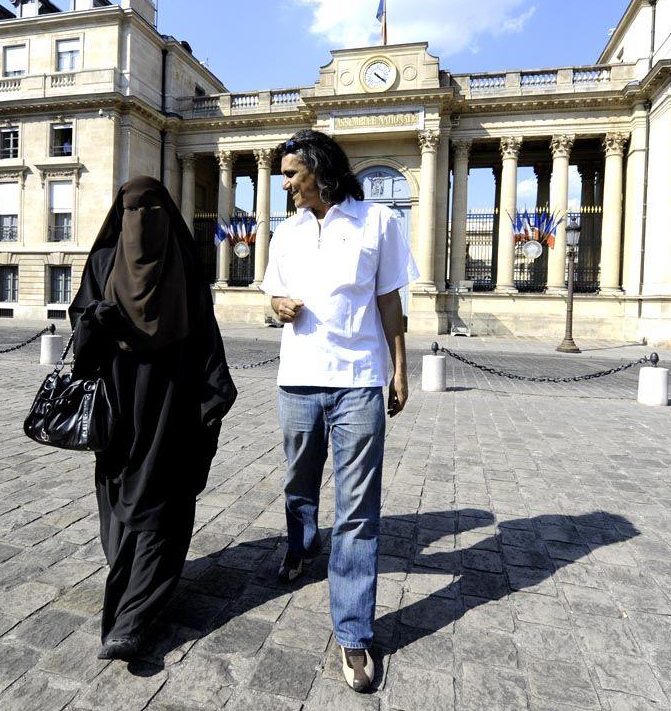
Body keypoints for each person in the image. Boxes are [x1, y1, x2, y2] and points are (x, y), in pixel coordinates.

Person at [261, 129, 418, 693]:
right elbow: (272, 293)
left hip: (358, 382)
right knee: (299, 483)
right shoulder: (287, 231)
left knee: (357, 509)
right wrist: (278, 305)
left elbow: (390, 302)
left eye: (293, 176)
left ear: (322, 171)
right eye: (284, 177)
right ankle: (301, 548)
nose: (287, 186)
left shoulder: (379, 223)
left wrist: (400, 371)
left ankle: (353, 633)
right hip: (298, 380)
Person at [68, 176, 237, 662]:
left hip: (174, 409)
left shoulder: (185, 268)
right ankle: (129, 586)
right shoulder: (102, 264)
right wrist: (93, 322)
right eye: (133, 210)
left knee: (162, 505)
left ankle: (131, 623)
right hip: (118, 411)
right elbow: (81, 349)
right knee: (119, 502)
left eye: (152, 209)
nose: (142, 221)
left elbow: (206, 340)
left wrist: (210, 399)